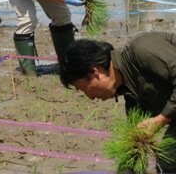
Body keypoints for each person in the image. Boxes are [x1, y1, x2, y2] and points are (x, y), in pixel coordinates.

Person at [60, 32, 176, 173]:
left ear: (94, 72)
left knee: (168, 160)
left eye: (84, 89)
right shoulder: (130, 93)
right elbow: (134, 150)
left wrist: (160, 119)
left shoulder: (142, 50)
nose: (90, 97)